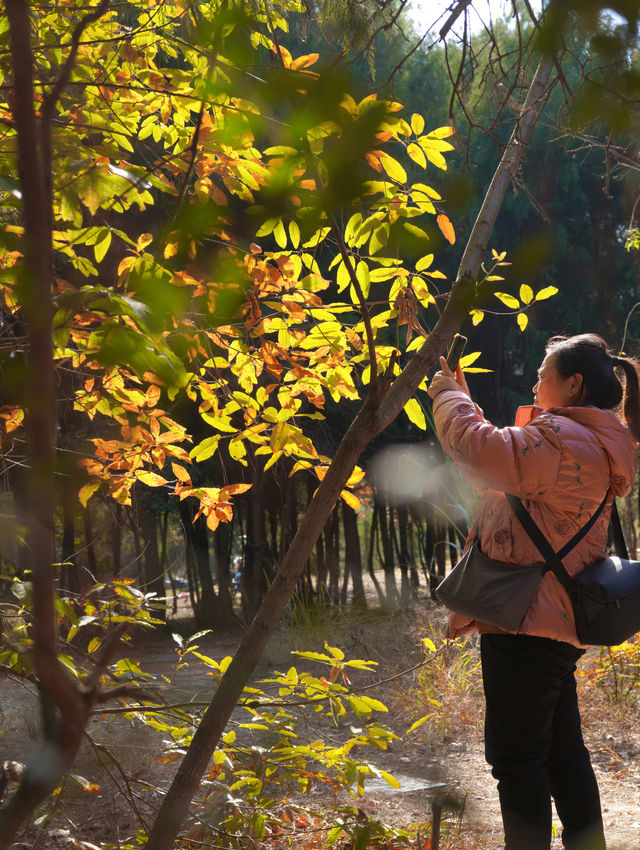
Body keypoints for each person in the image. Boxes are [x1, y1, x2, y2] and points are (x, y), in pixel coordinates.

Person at [427, 333, 640, 850]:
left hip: (525, 616)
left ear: (573, 384)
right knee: (560, 747)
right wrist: (465, 399)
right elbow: (501, 472)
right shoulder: (581, 438)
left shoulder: (564, 439)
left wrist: (445, 396)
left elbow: (480, 452)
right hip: (552, 615)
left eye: (543, 373)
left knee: (516, 757)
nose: (534, 381)